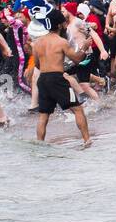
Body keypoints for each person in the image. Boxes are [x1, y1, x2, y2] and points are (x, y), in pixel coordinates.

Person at [32, 9, 93, 148]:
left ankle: (39, 144)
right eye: (64, 23)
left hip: (42, 79)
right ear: (59, 25)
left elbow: (37, 64)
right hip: (57, 79)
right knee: (78, 109)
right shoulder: (61, 42)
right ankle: (87, 140)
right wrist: (84, 46)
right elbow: (77, 59)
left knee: (43, 115)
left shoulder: (38, 43)